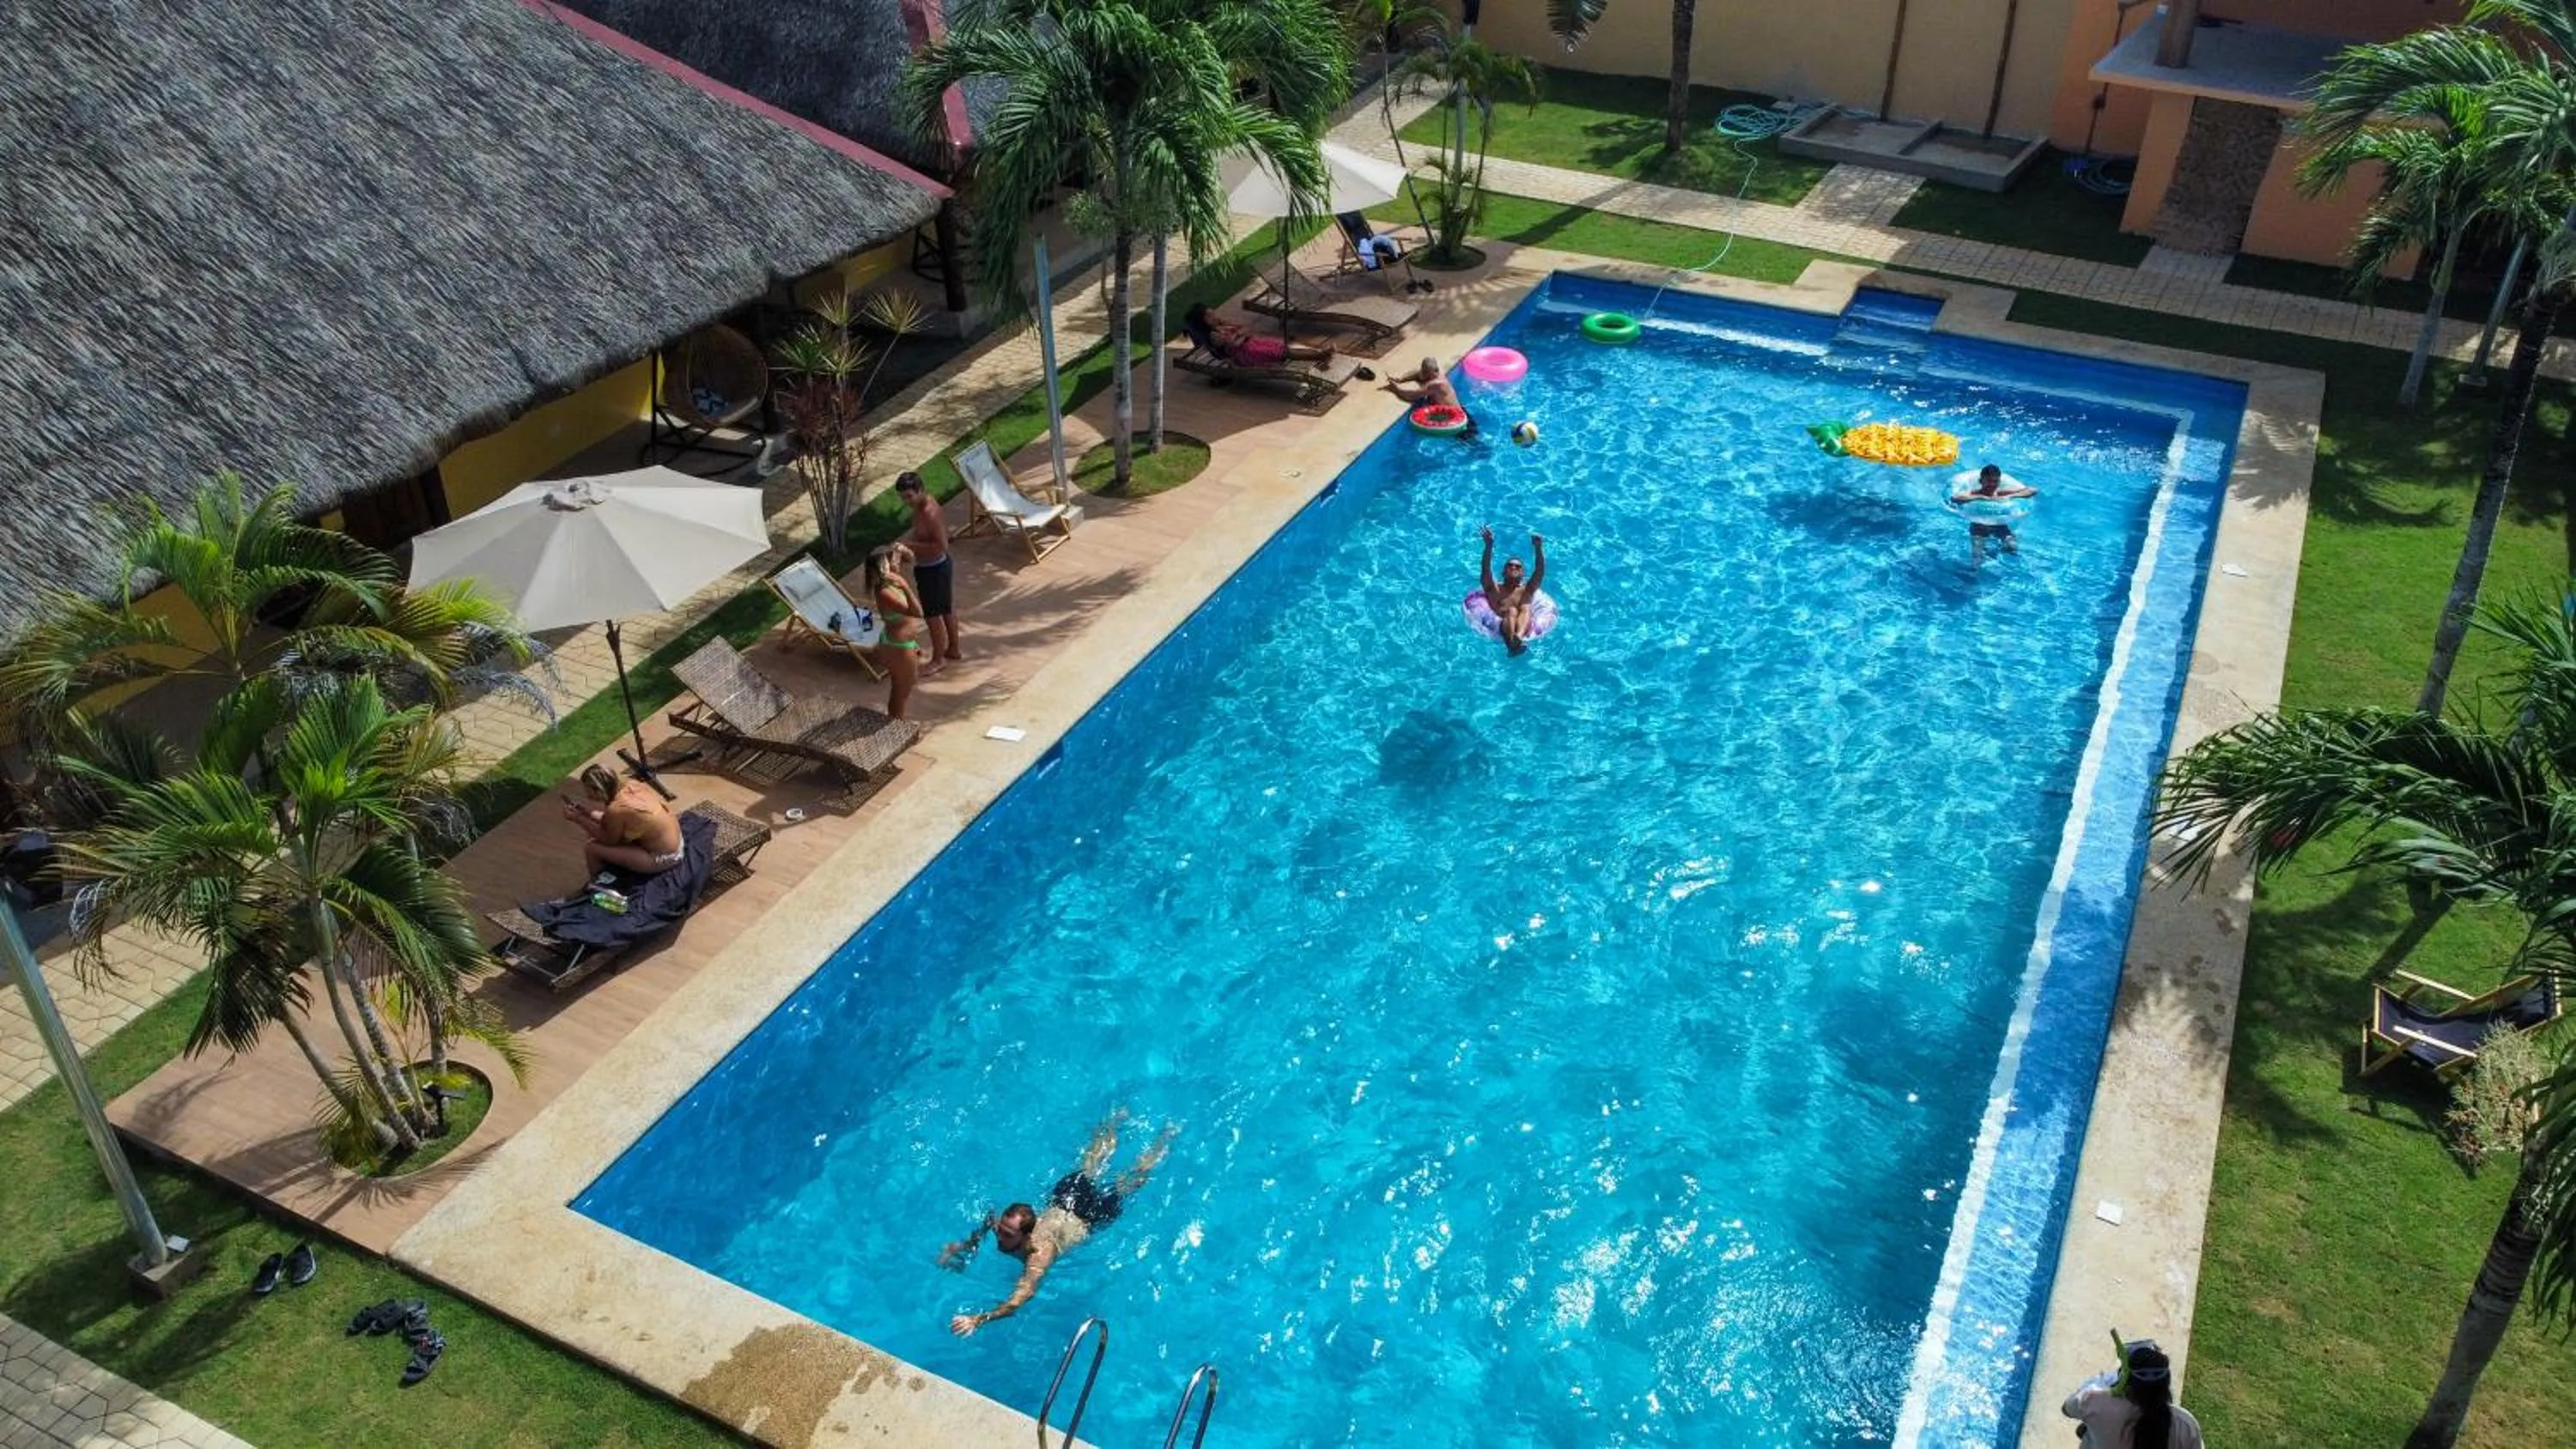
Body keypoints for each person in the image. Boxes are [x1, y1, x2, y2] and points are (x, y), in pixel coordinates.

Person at [939, 1111, 1180, 1337]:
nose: (1000, 1236)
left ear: (1026, 1236)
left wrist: (978, 1319)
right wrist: (966, 1246)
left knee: (1131, 1180)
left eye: (1007, 1234)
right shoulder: (1004, 1228)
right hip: (1065, 1199)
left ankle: (1165, 1138)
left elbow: (1017, 1301)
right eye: (1001, 1230)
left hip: (1089, 1217)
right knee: (1091, 1162)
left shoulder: (1039, 1255)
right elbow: (989, 1221)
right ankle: (1115, 1120)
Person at [2062, 1342, 2203, 1448]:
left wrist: (2101, 1384)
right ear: (2166, 1385)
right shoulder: (2186, 1425)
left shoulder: (2094, 1401)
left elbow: (2066, 1409)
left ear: (2126, 1384)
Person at [560, 763, 685, 876]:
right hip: (676, 843)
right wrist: (586, 812)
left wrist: (578, 818)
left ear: (598, 789)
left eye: (588, 790)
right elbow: (609, 821)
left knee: (592, 848)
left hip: (665, 857)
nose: (587, 795)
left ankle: (599, 887)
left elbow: (608, 840)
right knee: (596, 832)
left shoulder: (617, 809)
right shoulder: (632, 785)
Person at [895, 471, 963, 670]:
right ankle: (953, 649)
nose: (906, 501)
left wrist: (910, 546)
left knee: (933, 616)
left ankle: (938, 660)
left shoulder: (930, 513)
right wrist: (909, 544)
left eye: (909, 496)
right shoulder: (920, 505)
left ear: (920, 491)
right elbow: (920, 533)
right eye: (903, 498)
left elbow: (942, 545)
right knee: (946, 609)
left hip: (934, 569)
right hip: (934, 567)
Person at [865, 542, 925, 720]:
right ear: (884, 567)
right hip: (898, 646)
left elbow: (911, 558)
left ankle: (895, 720)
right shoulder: (885, 592)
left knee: (907, 684)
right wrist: (905, 586)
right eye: (893, 561)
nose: (898, 563)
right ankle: (896, 723)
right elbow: (917, 612)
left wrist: (901, 550)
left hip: (904, 643)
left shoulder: (892, 580)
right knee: (901, 687)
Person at [1182, 304, 1333, 367]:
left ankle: (1320, 355)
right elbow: (1235, 343)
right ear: (1203, 321)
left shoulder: (1219, 325)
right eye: (1209, 315)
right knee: (1284, 353)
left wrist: (1238, 333)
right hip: (1245, 353)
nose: (1214, 315)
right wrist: (1240, 334)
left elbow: (1243, 328)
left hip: (1250, 344)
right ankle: (1320, 355)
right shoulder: (1213, 335)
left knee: (1284, 349)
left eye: (1212, 312)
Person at [1950, 463, 2038, 567]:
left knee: (2012, 548)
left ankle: (1998, 558)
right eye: (1988, 481)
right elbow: (1955, 498)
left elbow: (2033, 490)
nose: (1992, 484)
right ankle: (1974, 575)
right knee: (1977, 557)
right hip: (1978, 527)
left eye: (1995, 481)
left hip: (2000, 527)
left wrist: (2011, 496)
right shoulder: (1974, 493)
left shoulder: (2002, 494)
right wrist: (1980, 498)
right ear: (1981, 481)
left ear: (1999, 481)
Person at [1479, 524, 1547, 657]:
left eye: (1518, 567)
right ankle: (1512, 644)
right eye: (1509, 566)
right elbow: (1486, 569)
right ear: (1503, 572)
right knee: (1512, 610)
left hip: (1524, 627)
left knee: (1524, 608)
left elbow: (1540, 571)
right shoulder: (1495, 588)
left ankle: (1518, 639)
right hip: (1502, 626)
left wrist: (1539, 548)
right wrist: (1488, 545)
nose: (1513, 568)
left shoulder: (1527, 589)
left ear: (1523, 573)